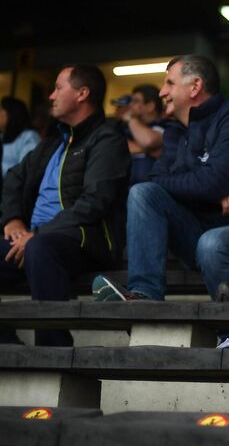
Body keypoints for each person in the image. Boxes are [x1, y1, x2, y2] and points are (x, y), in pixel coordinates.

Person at [93, 55, 229, 302]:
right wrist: (213, 192)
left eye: (170, 83)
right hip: (198, 228)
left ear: (195, 87)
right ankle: (144, 295)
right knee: (143, 193)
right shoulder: (174, 131)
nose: (162, 92)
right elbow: (159, 180)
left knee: (212, 242)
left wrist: (210, 186)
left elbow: (211, 182)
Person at [0, 64, 129, 346]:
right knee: (36, 247)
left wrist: (40, 233)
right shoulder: (51, 143)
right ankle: (7, 345)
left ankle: (54, 347)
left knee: (40, 247)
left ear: (82, 93)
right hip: (33, 238)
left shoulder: (107, 140)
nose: (51, 95)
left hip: (83, 239)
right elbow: (13, 178)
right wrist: (13, 220)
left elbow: (95, 201)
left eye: (58, 87)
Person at [123, 84, 166, 185]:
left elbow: (148, 141)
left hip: (151, 190)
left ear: (151, 106)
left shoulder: (164, 126)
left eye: (136, 101)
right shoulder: (127, 128)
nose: (130, 105)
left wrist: (130, 119)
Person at [0, 96, 41, 178]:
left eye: (1, 110)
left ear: (11, 114)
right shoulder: (2, 136)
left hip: (10, 188)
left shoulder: (29, 137)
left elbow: (24, 171)